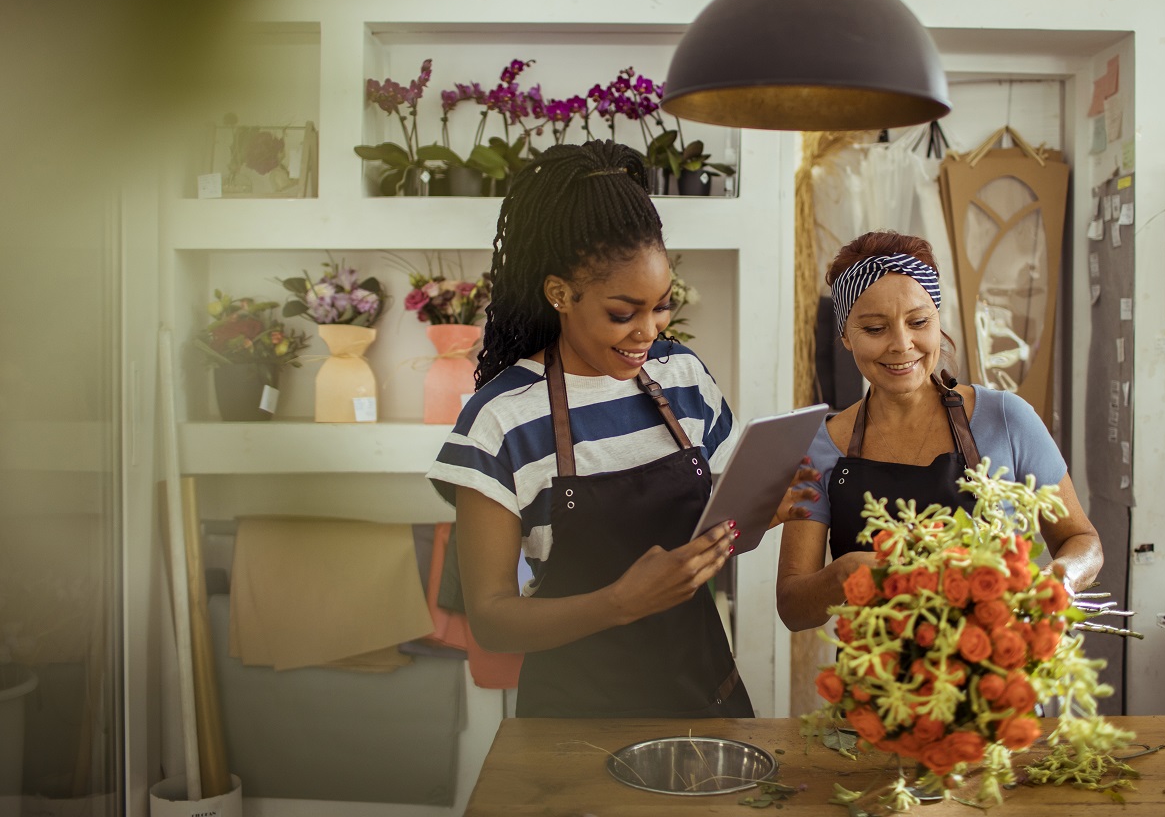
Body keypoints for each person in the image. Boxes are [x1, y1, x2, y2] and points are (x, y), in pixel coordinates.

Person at [426, 140, 753, 718]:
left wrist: (764, 507)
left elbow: (722, 527)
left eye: (662, 305)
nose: (648, 332)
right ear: (560, 294)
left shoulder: (681, 377)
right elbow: (492, 620)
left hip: (706, 702)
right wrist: (618, 603)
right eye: (623, 313)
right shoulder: (502, 420)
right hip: (573, 726)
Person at [775, 230, 1103, 632]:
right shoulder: (822, 446)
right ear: (845, 335)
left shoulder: (1006, 418)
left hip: (999, 679)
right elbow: (793, 607)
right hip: (877, 688)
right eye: (875, 329)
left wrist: (1059, 581)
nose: (902, 344)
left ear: (938, 321)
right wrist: (844, 574)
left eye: (918, 322)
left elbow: (1082, 540)